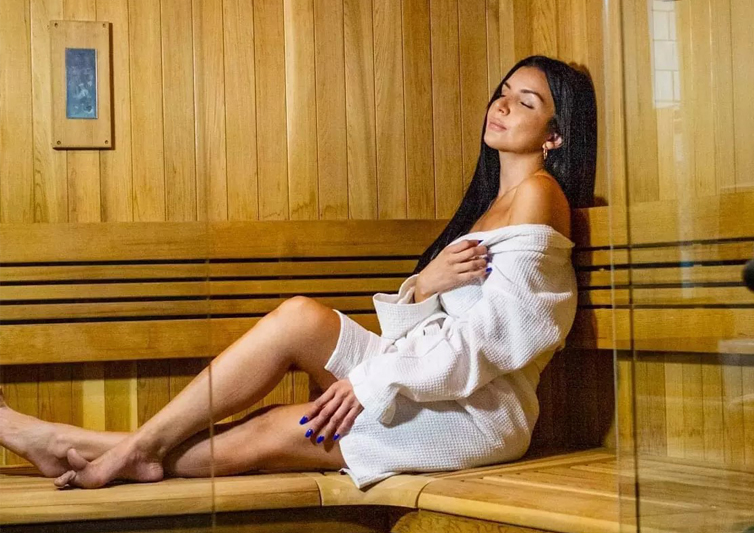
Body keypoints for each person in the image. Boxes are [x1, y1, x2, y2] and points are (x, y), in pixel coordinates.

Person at [0, 55, 596, 490]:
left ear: (556, 135)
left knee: (278, 429)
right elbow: (431, 330)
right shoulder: (491, 206)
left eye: (527, 102)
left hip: (476, 415)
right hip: (434, 383)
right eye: (503, 92)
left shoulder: (540, 197)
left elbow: (495, 339)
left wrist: (371, 381)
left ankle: (73, 443)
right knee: (298, 318)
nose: (502, 105)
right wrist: (425, 285)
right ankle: (121, 448)